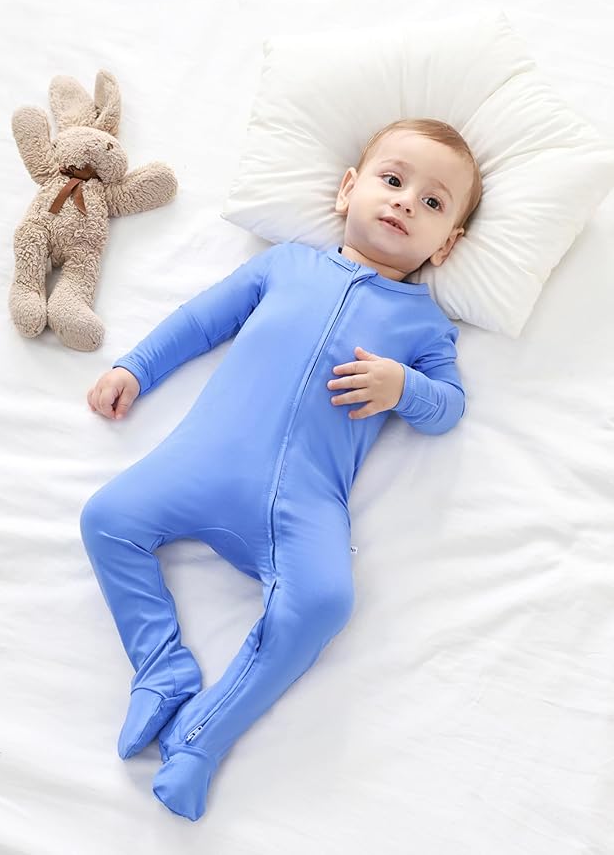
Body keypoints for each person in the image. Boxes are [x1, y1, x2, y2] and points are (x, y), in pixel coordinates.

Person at [80, 118, 483, 820]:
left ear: (445, 244)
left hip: (304, 501)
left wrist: (404, 388)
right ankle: (162, 668)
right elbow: (201, 320)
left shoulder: (424, 328)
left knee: (325, 602)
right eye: (392, 180)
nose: (404, 202)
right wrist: (135, 368)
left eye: (431, 203)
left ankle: (202, 737)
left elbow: (448, 408)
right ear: (348, 190)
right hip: (202, 464)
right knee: (106, 519)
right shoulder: (286, 264)